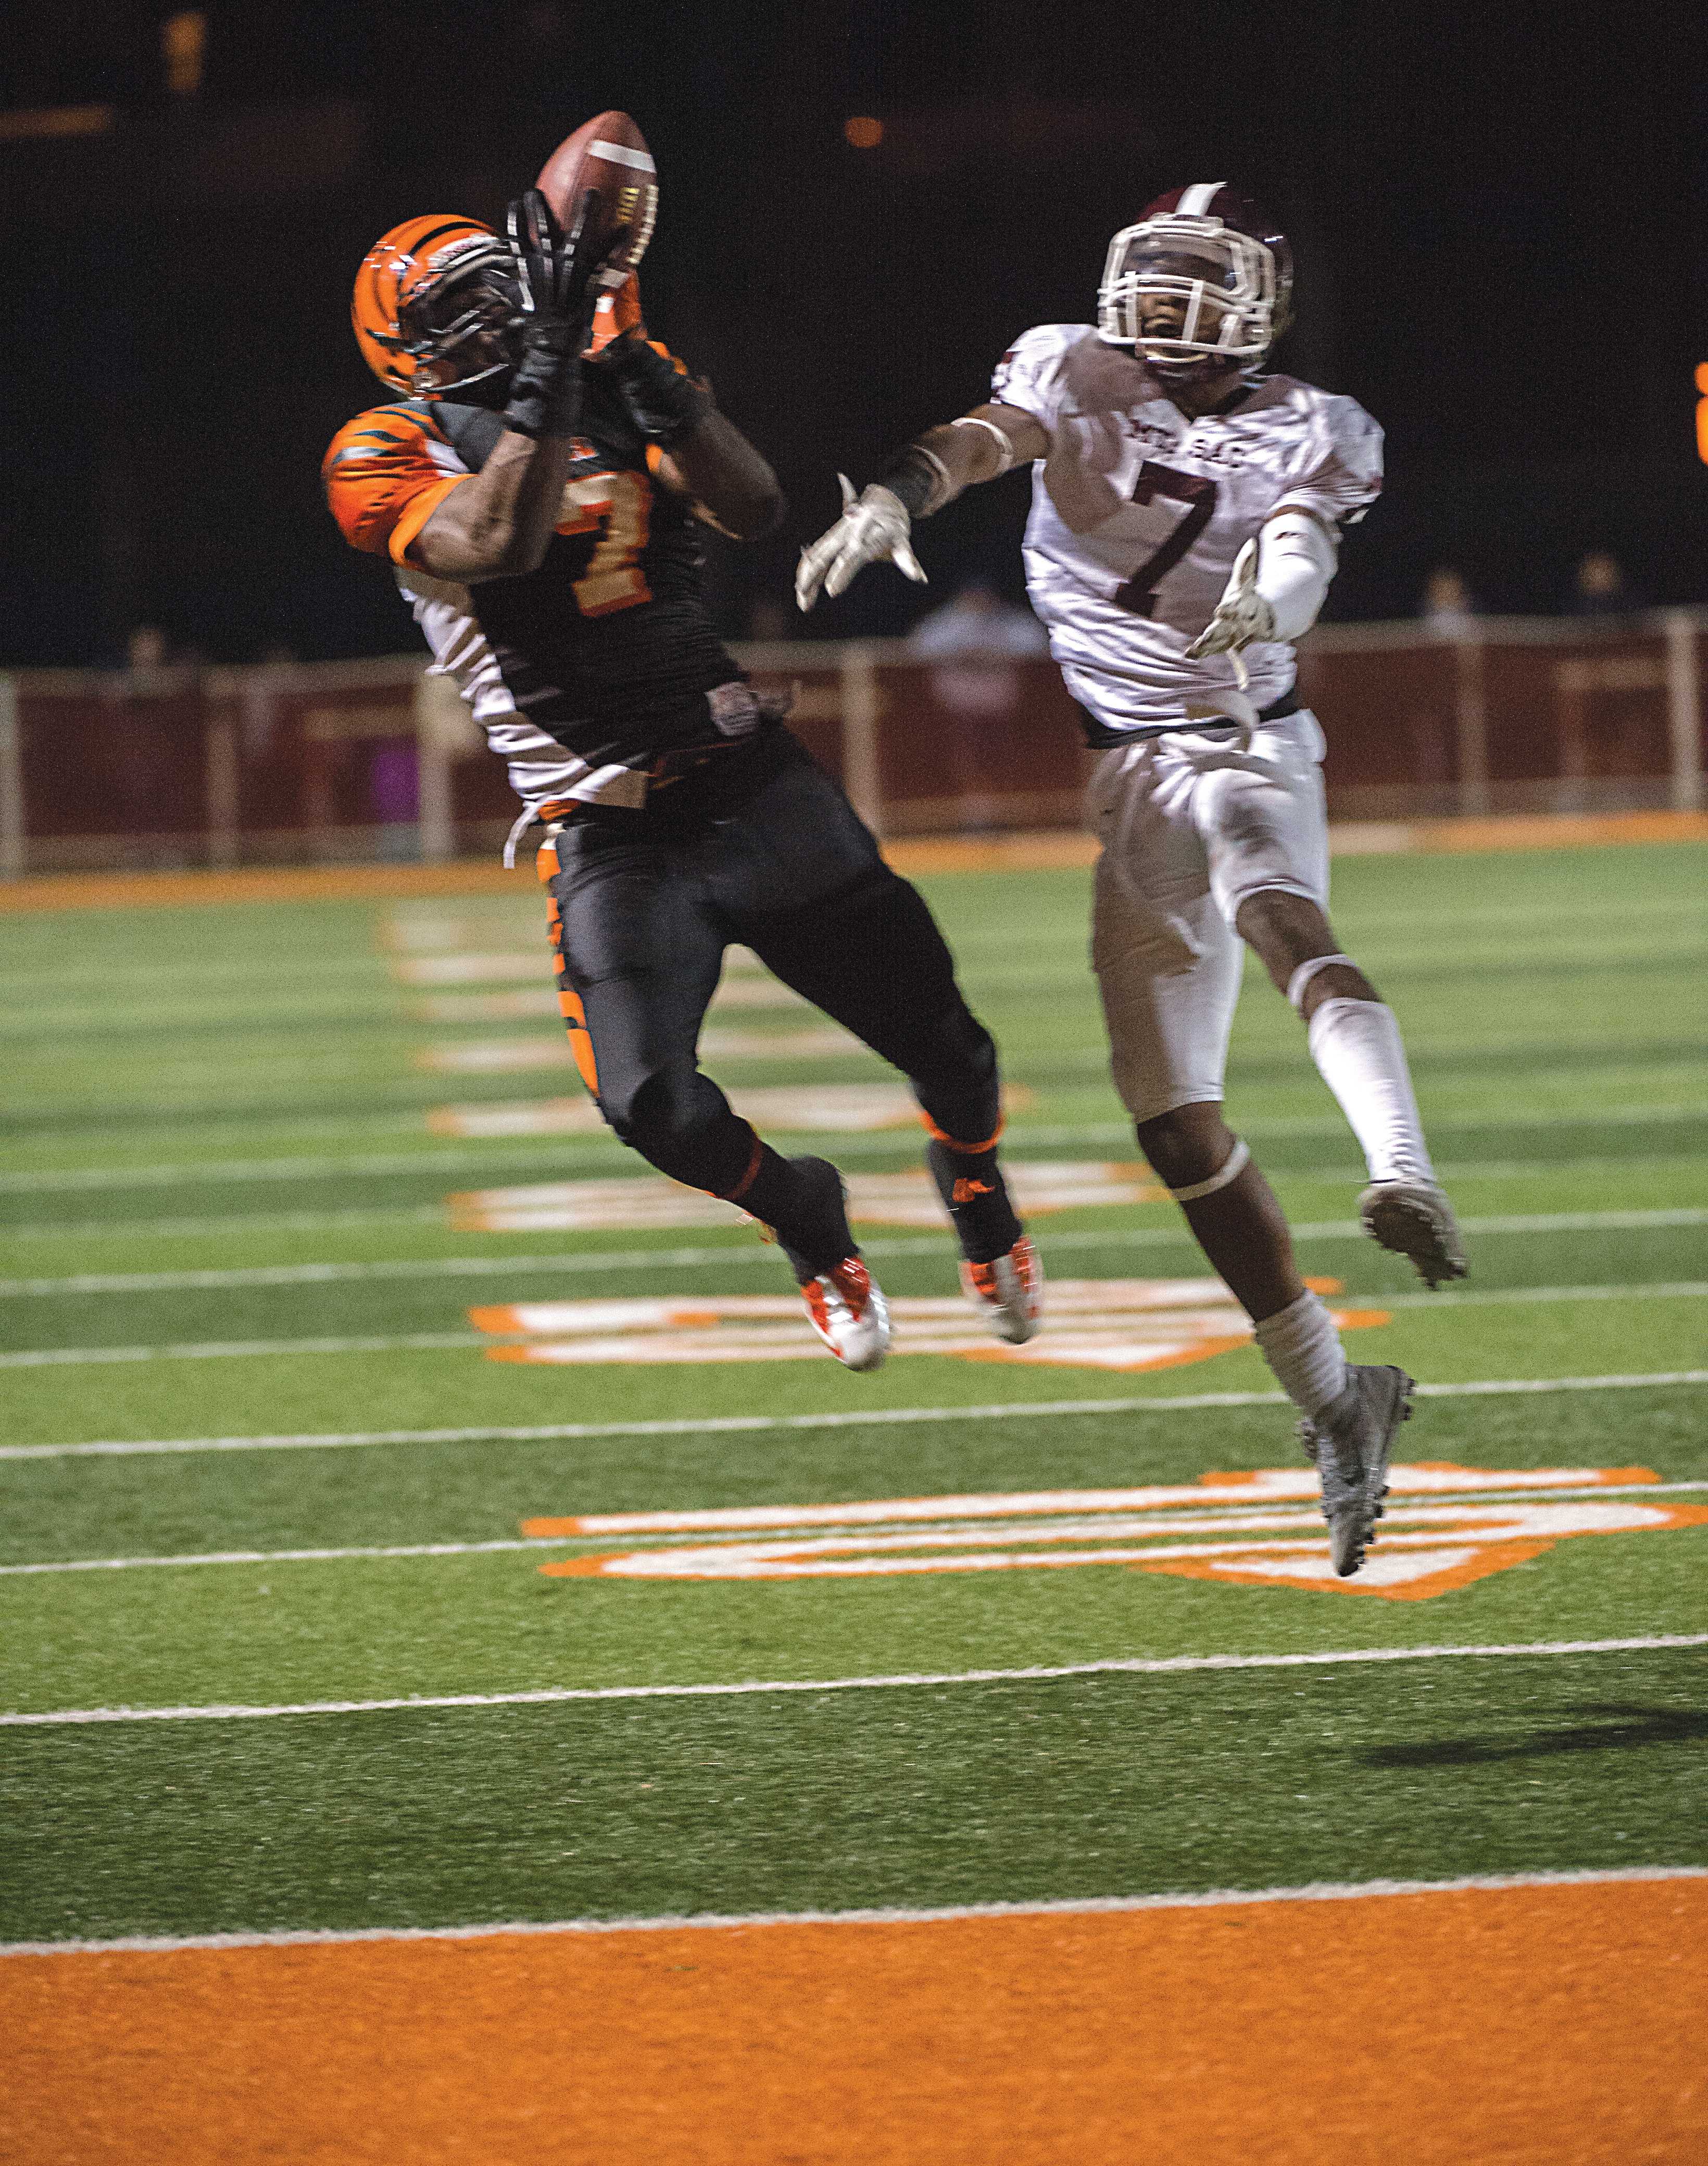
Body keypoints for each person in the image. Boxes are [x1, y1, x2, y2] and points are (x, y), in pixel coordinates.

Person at [798, 184, 1466, 1573]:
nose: (1166, 305)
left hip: (1243, 743)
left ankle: (1405, 1169)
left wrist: (1272, 604)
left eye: (1199, 281)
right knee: (1173, 1130)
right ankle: (1342, 1404)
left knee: (1280, 915)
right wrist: (894, 493)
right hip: (1126, 781)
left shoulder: (1316, 424)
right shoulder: (1076, 366)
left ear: (1264, 300)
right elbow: (989, 437)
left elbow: (1299, 541)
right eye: (1157, 275)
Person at [323, 192, 1038, 1368]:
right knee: (651, 1106)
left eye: (504, 287)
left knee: (951, 1046)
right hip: (610, 830)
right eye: (461, 311)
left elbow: (753, 505)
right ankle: (806, 1215)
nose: (499, 315)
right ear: (397, 350)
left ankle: (974, 1185)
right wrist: (558, 357)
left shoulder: (605, 377)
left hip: (754, 787)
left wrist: (636, 362)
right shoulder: (379, 447)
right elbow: (494, 542)